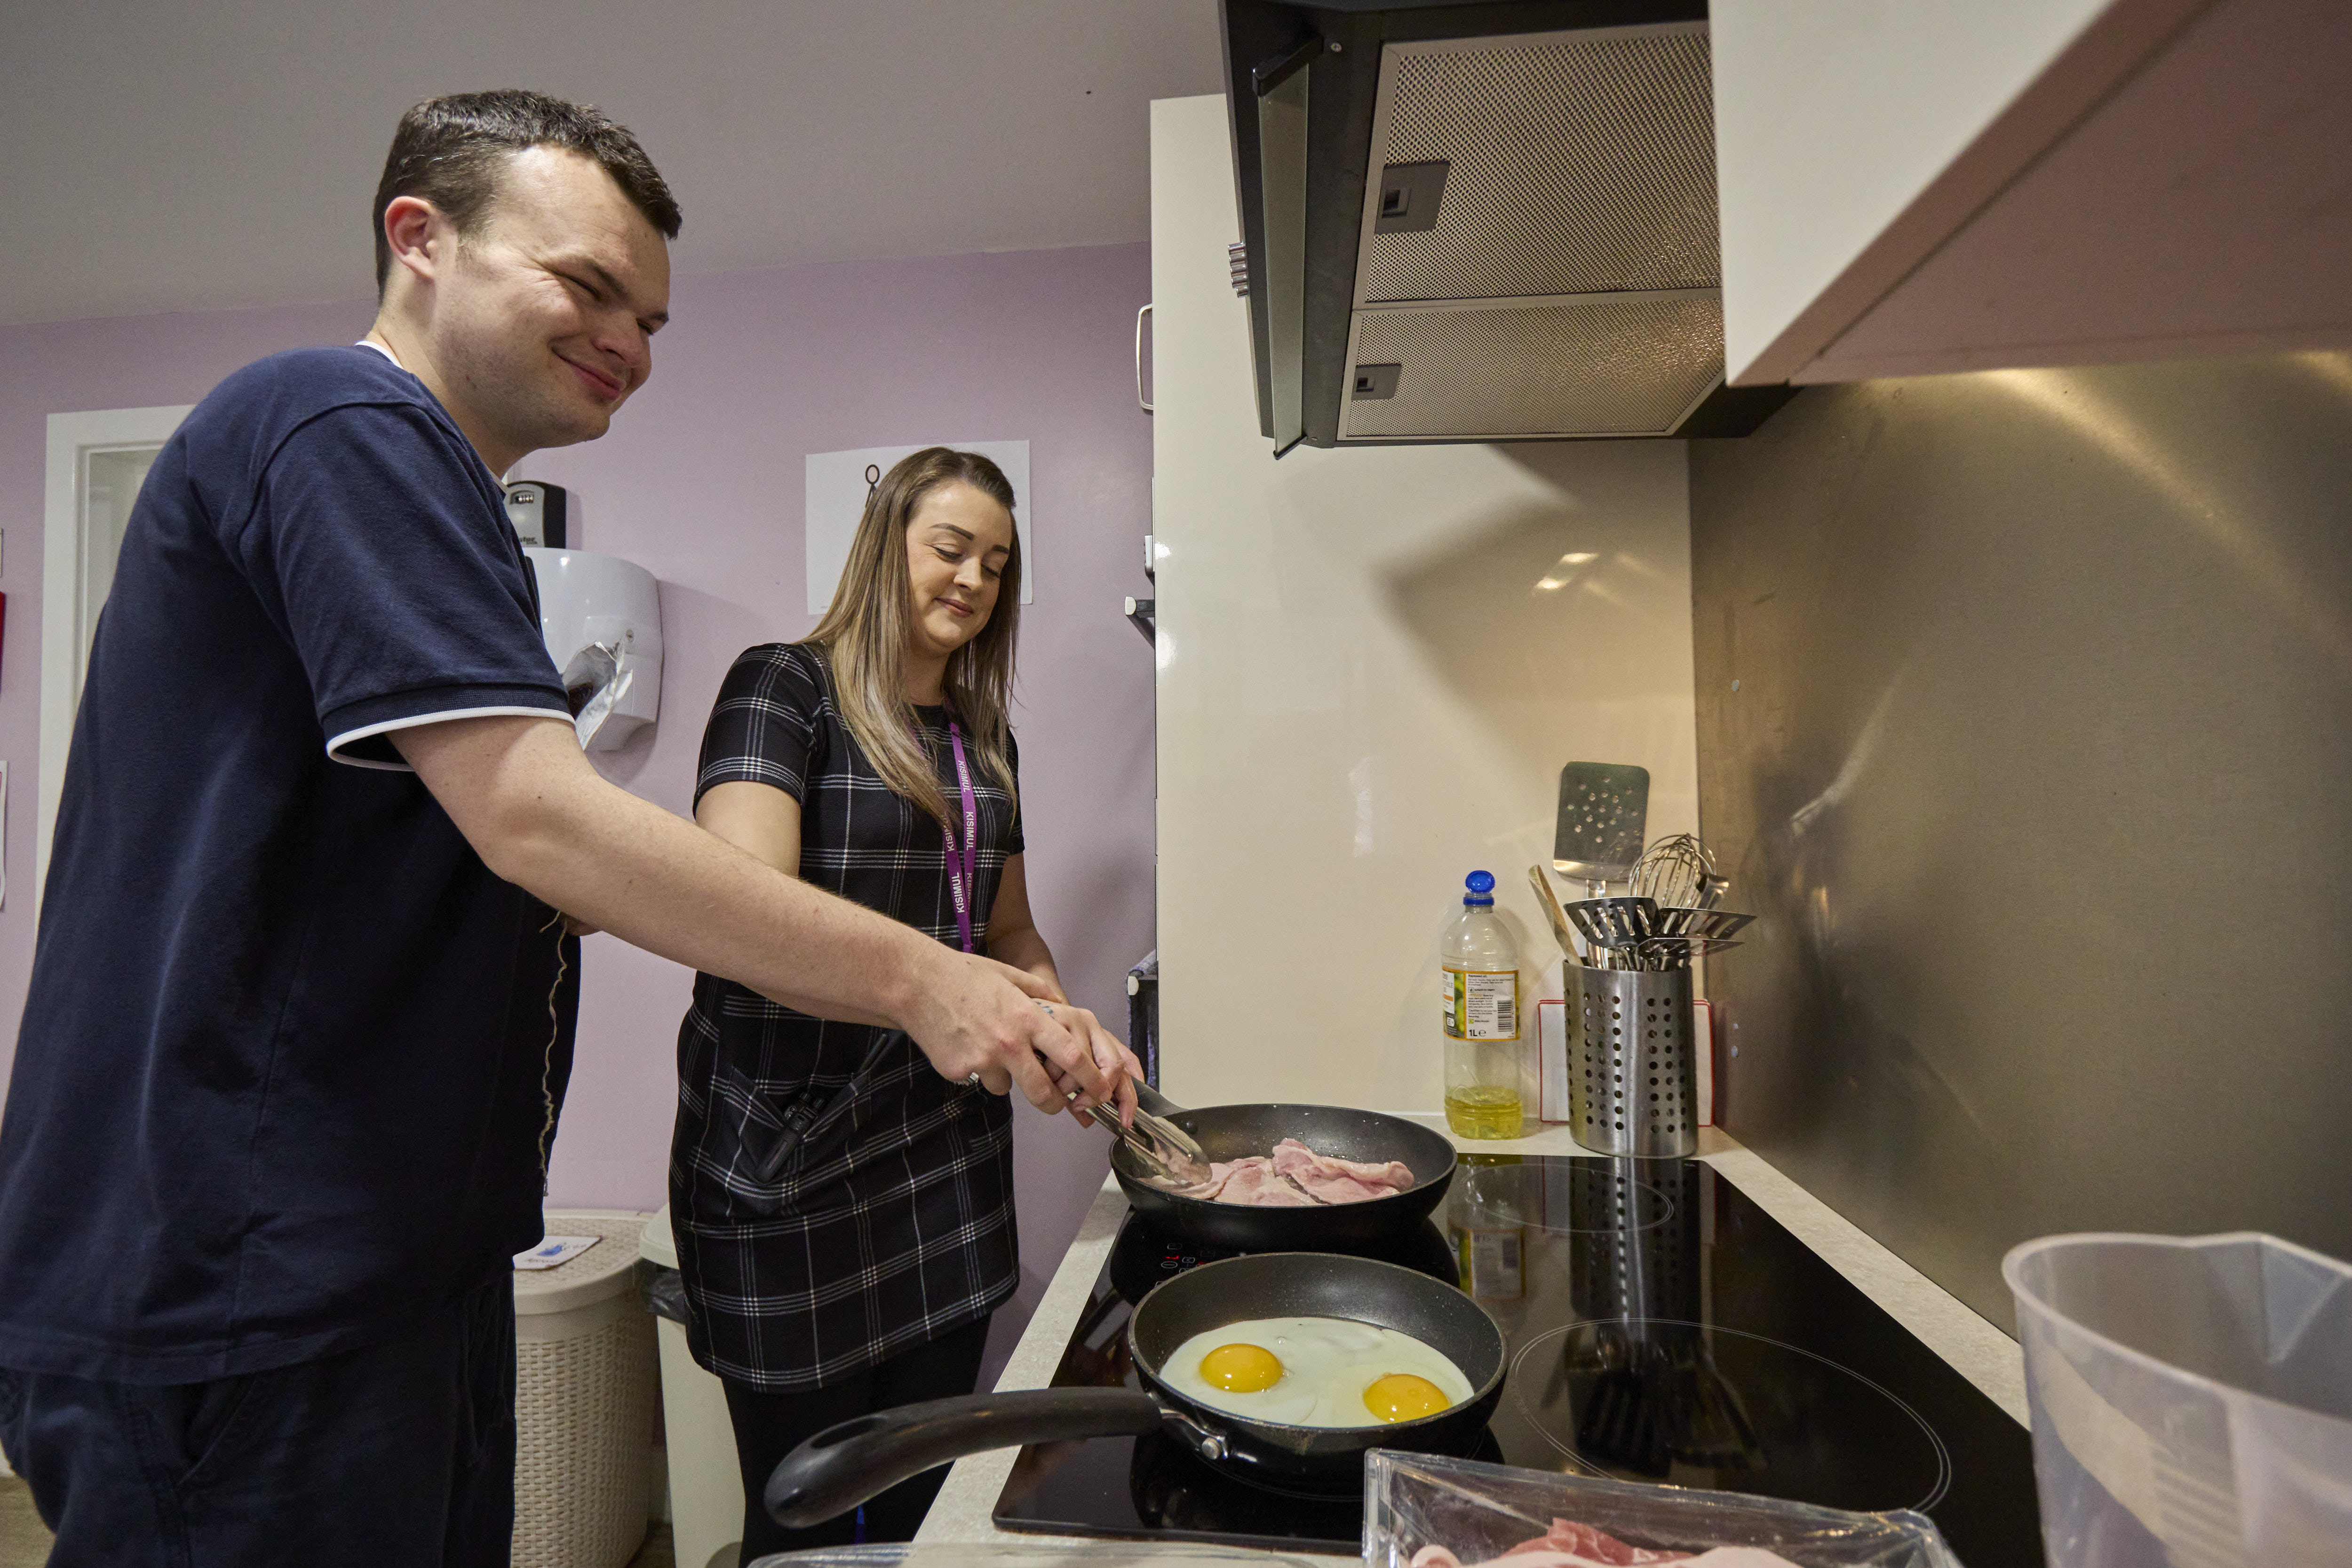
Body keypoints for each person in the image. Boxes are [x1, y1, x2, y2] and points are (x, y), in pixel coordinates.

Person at [0, 92, 1129, 1568]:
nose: (632, 345)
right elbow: (538, 816)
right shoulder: (338, 419)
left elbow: (503, 856)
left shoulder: (461, 510)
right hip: (238, 1278)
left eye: (652, 317)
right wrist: (937, 981)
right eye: (588, 286)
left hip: (402, 1268)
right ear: (422, 239)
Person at [675, 447, 1133, 1556]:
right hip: (787, 1169)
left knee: (935, 1505)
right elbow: (743, 913)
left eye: (996, 561)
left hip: (943, 1165)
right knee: (804, 1513)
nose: (974, 577)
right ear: (887, 541)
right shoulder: (782, 687)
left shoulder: (986, 741)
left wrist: (1056, 1020)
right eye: (950, 546)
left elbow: (1008, 931)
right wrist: (941, 988)